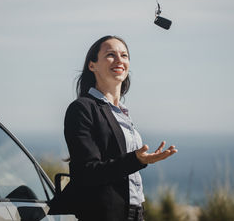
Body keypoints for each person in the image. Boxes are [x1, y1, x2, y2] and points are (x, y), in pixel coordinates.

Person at [49, 35, 177, 221]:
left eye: (124, 56)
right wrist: (136, 159)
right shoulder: (82, 109)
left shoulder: (123, 113)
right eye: (111, 55)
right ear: (92, 65)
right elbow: (86, 172)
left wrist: (138, 160)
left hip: (134, 212)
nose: (119, 60)